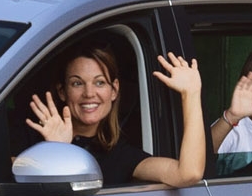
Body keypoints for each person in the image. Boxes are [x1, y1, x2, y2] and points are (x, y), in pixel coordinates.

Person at [14, 39, 207, 187]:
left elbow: (188, 173)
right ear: (62, 91)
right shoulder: (30, 134)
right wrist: (56, 150)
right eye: (77, 83)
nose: (89, 93)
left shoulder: (120, 156)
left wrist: (191, 94)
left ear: (114, 90)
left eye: (99, 82)